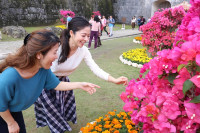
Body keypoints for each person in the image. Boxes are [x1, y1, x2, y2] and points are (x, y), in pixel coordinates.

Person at [34, 17, 128, 133]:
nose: (86, 39)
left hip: (64, 82)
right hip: (47, 82)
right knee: (53, 113)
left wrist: (113, 79)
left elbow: (95, 68)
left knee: (61, 110)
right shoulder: (56, 48)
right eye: (83, 35)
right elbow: (42, 67)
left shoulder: (83, 51)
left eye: (88, 36)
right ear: (72, 33)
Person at [0, 29, 99, 133]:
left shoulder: (42, 70)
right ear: (39, 54)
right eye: (55, 52)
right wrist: (10, 123)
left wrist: (80, 85)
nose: (56, 57)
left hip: (13, 110)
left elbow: (57, 84)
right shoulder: (10, 76)